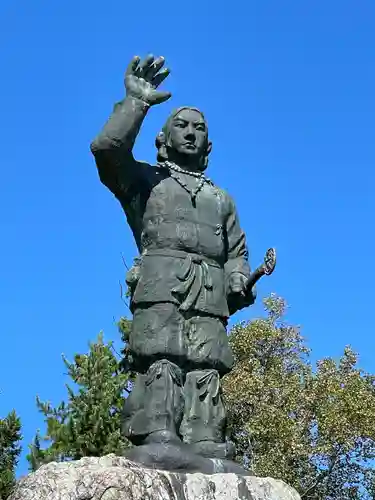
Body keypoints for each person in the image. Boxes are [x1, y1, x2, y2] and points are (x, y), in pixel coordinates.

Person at [91, 54, 256, 459]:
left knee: (206, 363)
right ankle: (158, 431)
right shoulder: (145, 181)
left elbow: (236, 253)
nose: (191, 132)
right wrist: (137, 103)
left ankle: (206, 437)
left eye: (199, 128)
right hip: (162, 286)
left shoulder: (221, 199)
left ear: (209, 144)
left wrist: (238, 277)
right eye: (181, 125)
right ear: (162, 139)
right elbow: (107, 150)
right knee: (161, 357)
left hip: (209, 295)